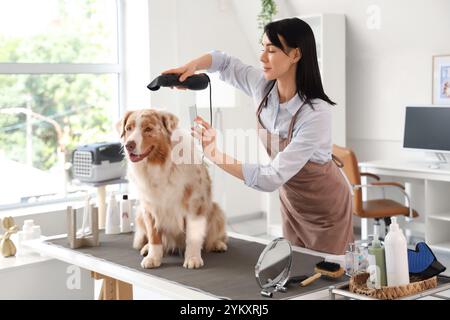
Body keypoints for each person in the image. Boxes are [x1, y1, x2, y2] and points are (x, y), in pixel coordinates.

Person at [163, 17, 353, 255]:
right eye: (262, 48)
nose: (262, 57)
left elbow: (270, 178)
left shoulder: (315, 113)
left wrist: (213, 153)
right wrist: (191, 66)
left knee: (327, 278)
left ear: (295, 55)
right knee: (296, 274)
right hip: (293, 204)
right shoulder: (262, 87)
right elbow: (223, 62)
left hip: (327, 210)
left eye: (271, 50)